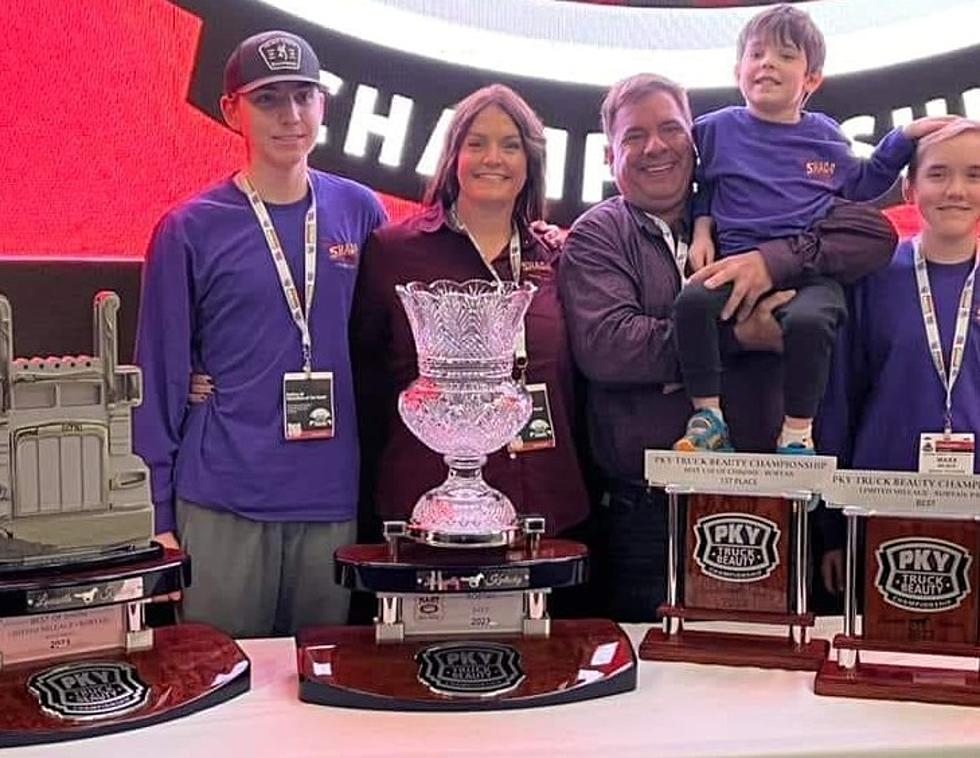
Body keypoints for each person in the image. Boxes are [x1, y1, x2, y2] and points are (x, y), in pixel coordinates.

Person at [558, 72, 898, 621]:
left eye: (670, 129)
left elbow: (873, 235)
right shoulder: (598, 234)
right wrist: (741, 337)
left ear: (696, 143)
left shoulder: (758, 210)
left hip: (775, 499)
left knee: (771, 687)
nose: (655, 147)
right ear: (608, 155)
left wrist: (775, 260)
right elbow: (610, 348)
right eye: (634, 136)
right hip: (649, 513)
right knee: (654, 692)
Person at [133, 30, 387, 637]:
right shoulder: (189, 228)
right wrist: (156, 512)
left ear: (324, 106)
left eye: (304, 96)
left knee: (317, 697)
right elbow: (158, 378)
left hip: (331, 498)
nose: (290, 116)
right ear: (231, 110)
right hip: (221, 496)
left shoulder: (361, 212)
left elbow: (392, 347)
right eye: (269, 98)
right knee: (220, 687)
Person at [673, 3, 951, 455]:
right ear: (737, 69)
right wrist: (702, 230)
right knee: (689, 303)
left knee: (811, 322)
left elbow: (863, 182)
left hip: (808, 272)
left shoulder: (824, 136)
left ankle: (798, 434)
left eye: (785, 56)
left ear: (811, 79)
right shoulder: (715, 129)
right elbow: (703, 184)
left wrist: (905, 136)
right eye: (757, 54)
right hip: (733, 264)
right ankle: (709, 417)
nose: (767, 63)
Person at [349, 85, 592, 568]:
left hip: (546, 506)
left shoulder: (556, 255)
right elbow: (366, 380)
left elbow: (576, 385)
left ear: (530, 162)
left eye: (510, 144)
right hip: (425, 510)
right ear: (453, 154)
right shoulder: (393, 251)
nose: (493, 158)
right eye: (476, 143)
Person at [816, 118, 980, 594]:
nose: (956, 190)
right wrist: (833, 527)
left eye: (974, 174)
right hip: (879, 505)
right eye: (938, 173)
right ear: (909, 188)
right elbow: (839, 400)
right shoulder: (872, 276)